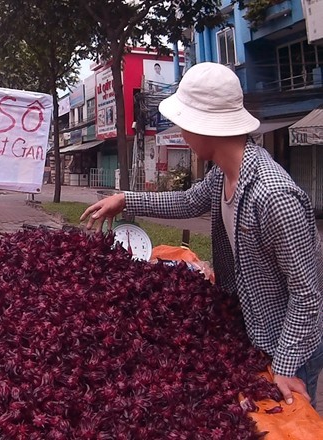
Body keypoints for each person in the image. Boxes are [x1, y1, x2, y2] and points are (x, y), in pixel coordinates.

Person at [81, 62, 323, 407]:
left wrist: (285, 365)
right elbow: (189, 200)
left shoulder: (272, 196)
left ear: (204, 127)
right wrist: (126, 199)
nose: (181, 134)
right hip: (253, 328)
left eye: (184, 125)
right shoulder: (224, 173)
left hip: (288, 345)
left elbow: (307, 296)